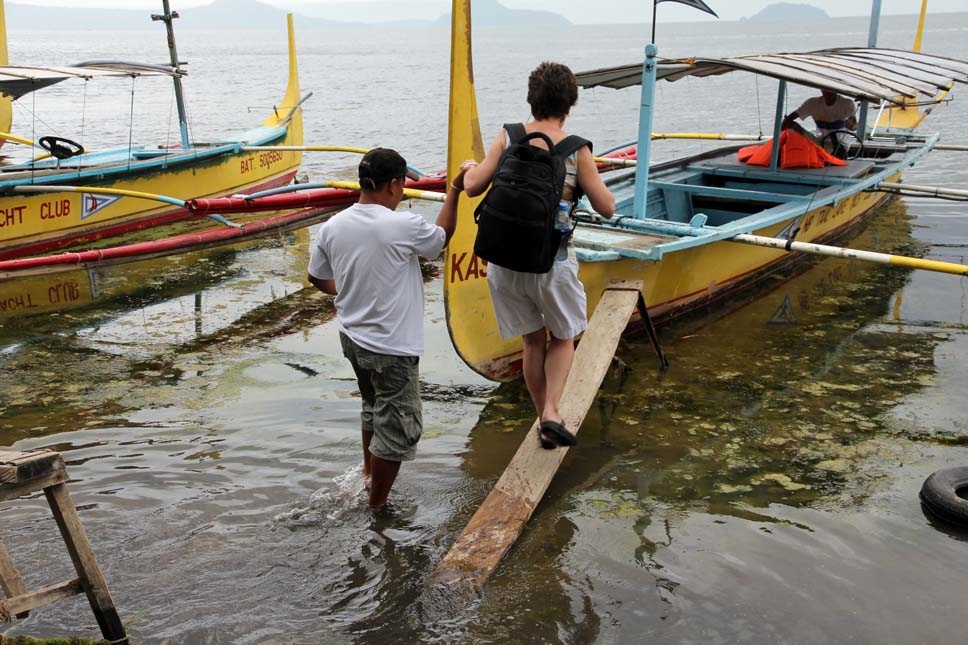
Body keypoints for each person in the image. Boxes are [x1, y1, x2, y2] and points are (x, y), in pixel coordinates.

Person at [461, 61, 615, 450]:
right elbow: (606, 207)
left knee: (533, 341)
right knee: (564, 337)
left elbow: (473, 186)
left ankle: (541, 418)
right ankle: (551, 413)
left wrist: (469, 168)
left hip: (503, 261)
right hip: (552, 262)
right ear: (570, 104)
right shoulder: (576, 149)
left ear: (531, 100)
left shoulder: (508, 136)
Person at [307, 147, 466, 510]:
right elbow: (442, 238)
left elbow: (317, 276)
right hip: (391, 347)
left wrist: (347, 289)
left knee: (372, 407)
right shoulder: (401, 225)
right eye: (403, 186)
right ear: (393, 185)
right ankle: (377, 507)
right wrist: (454, 190)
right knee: (397, 428)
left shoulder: (333, 225)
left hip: (352, 339)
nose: (404, 193)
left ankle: (368, 475)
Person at [782, 89, 858, 153]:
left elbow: (854, 126)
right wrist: (785, 124)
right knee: (792, 125)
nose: (827, 91)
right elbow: (790, 118)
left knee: (835, 148)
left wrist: (851, 125)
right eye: (824, 88)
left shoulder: (847, 103)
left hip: (839, 145)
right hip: (819, 141)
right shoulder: (812, 103)